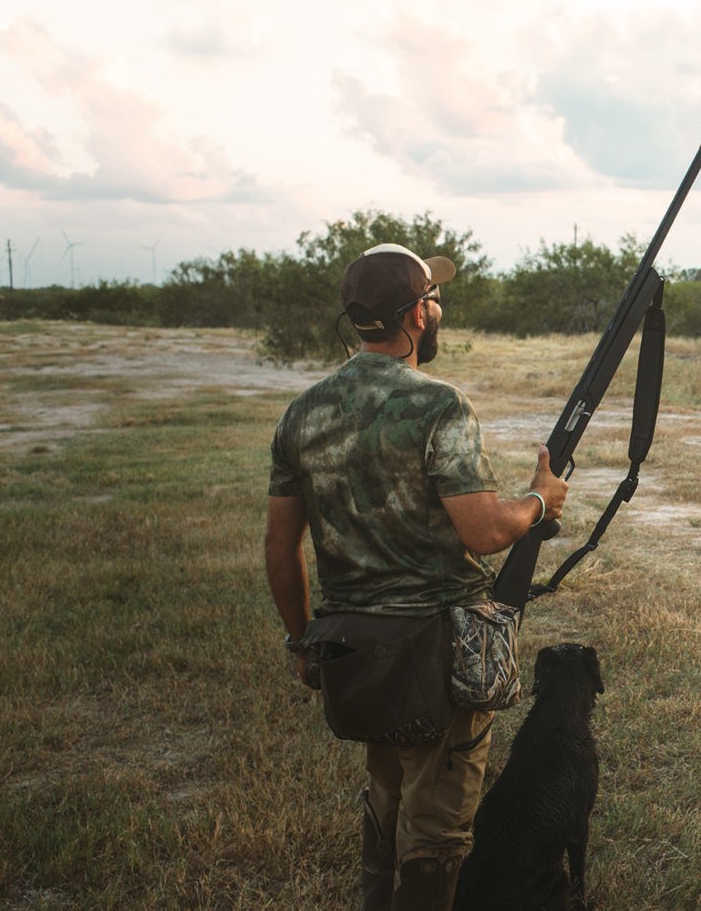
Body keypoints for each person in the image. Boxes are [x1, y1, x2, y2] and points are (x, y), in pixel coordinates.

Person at [264, 242, 569, 910]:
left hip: (350, 650)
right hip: (434, 655)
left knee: (386, 798)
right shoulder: (439, 406)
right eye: (433, 297)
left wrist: (300, 642)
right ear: (416, 316)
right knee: (435, 832)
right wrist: (542, 499)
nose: (437, 306)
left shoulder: (302, 412)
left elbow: (280, 547)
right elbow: (486, 533)